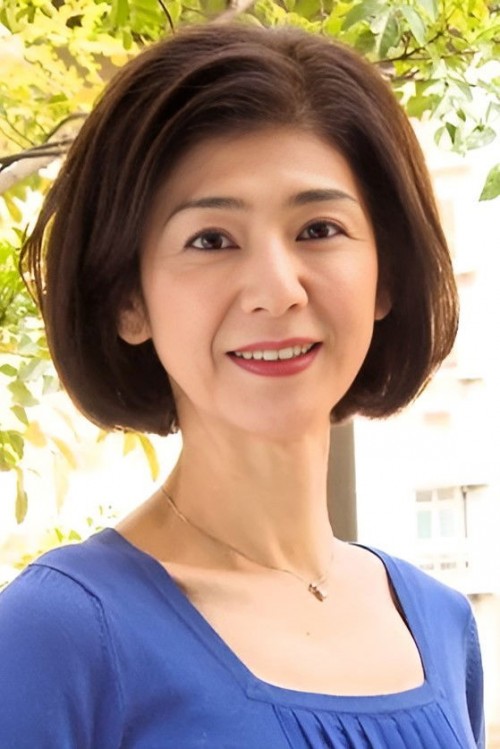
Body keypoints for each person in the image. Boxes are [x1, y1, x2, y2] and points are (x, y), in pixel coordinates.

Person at [0, 22, 484, 748]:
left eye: (319, 229)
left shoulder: (442, 626)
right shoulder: (57, 636)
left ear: (386, 275)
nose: (277, 289)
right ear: (129, 300)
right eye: (211, 240)